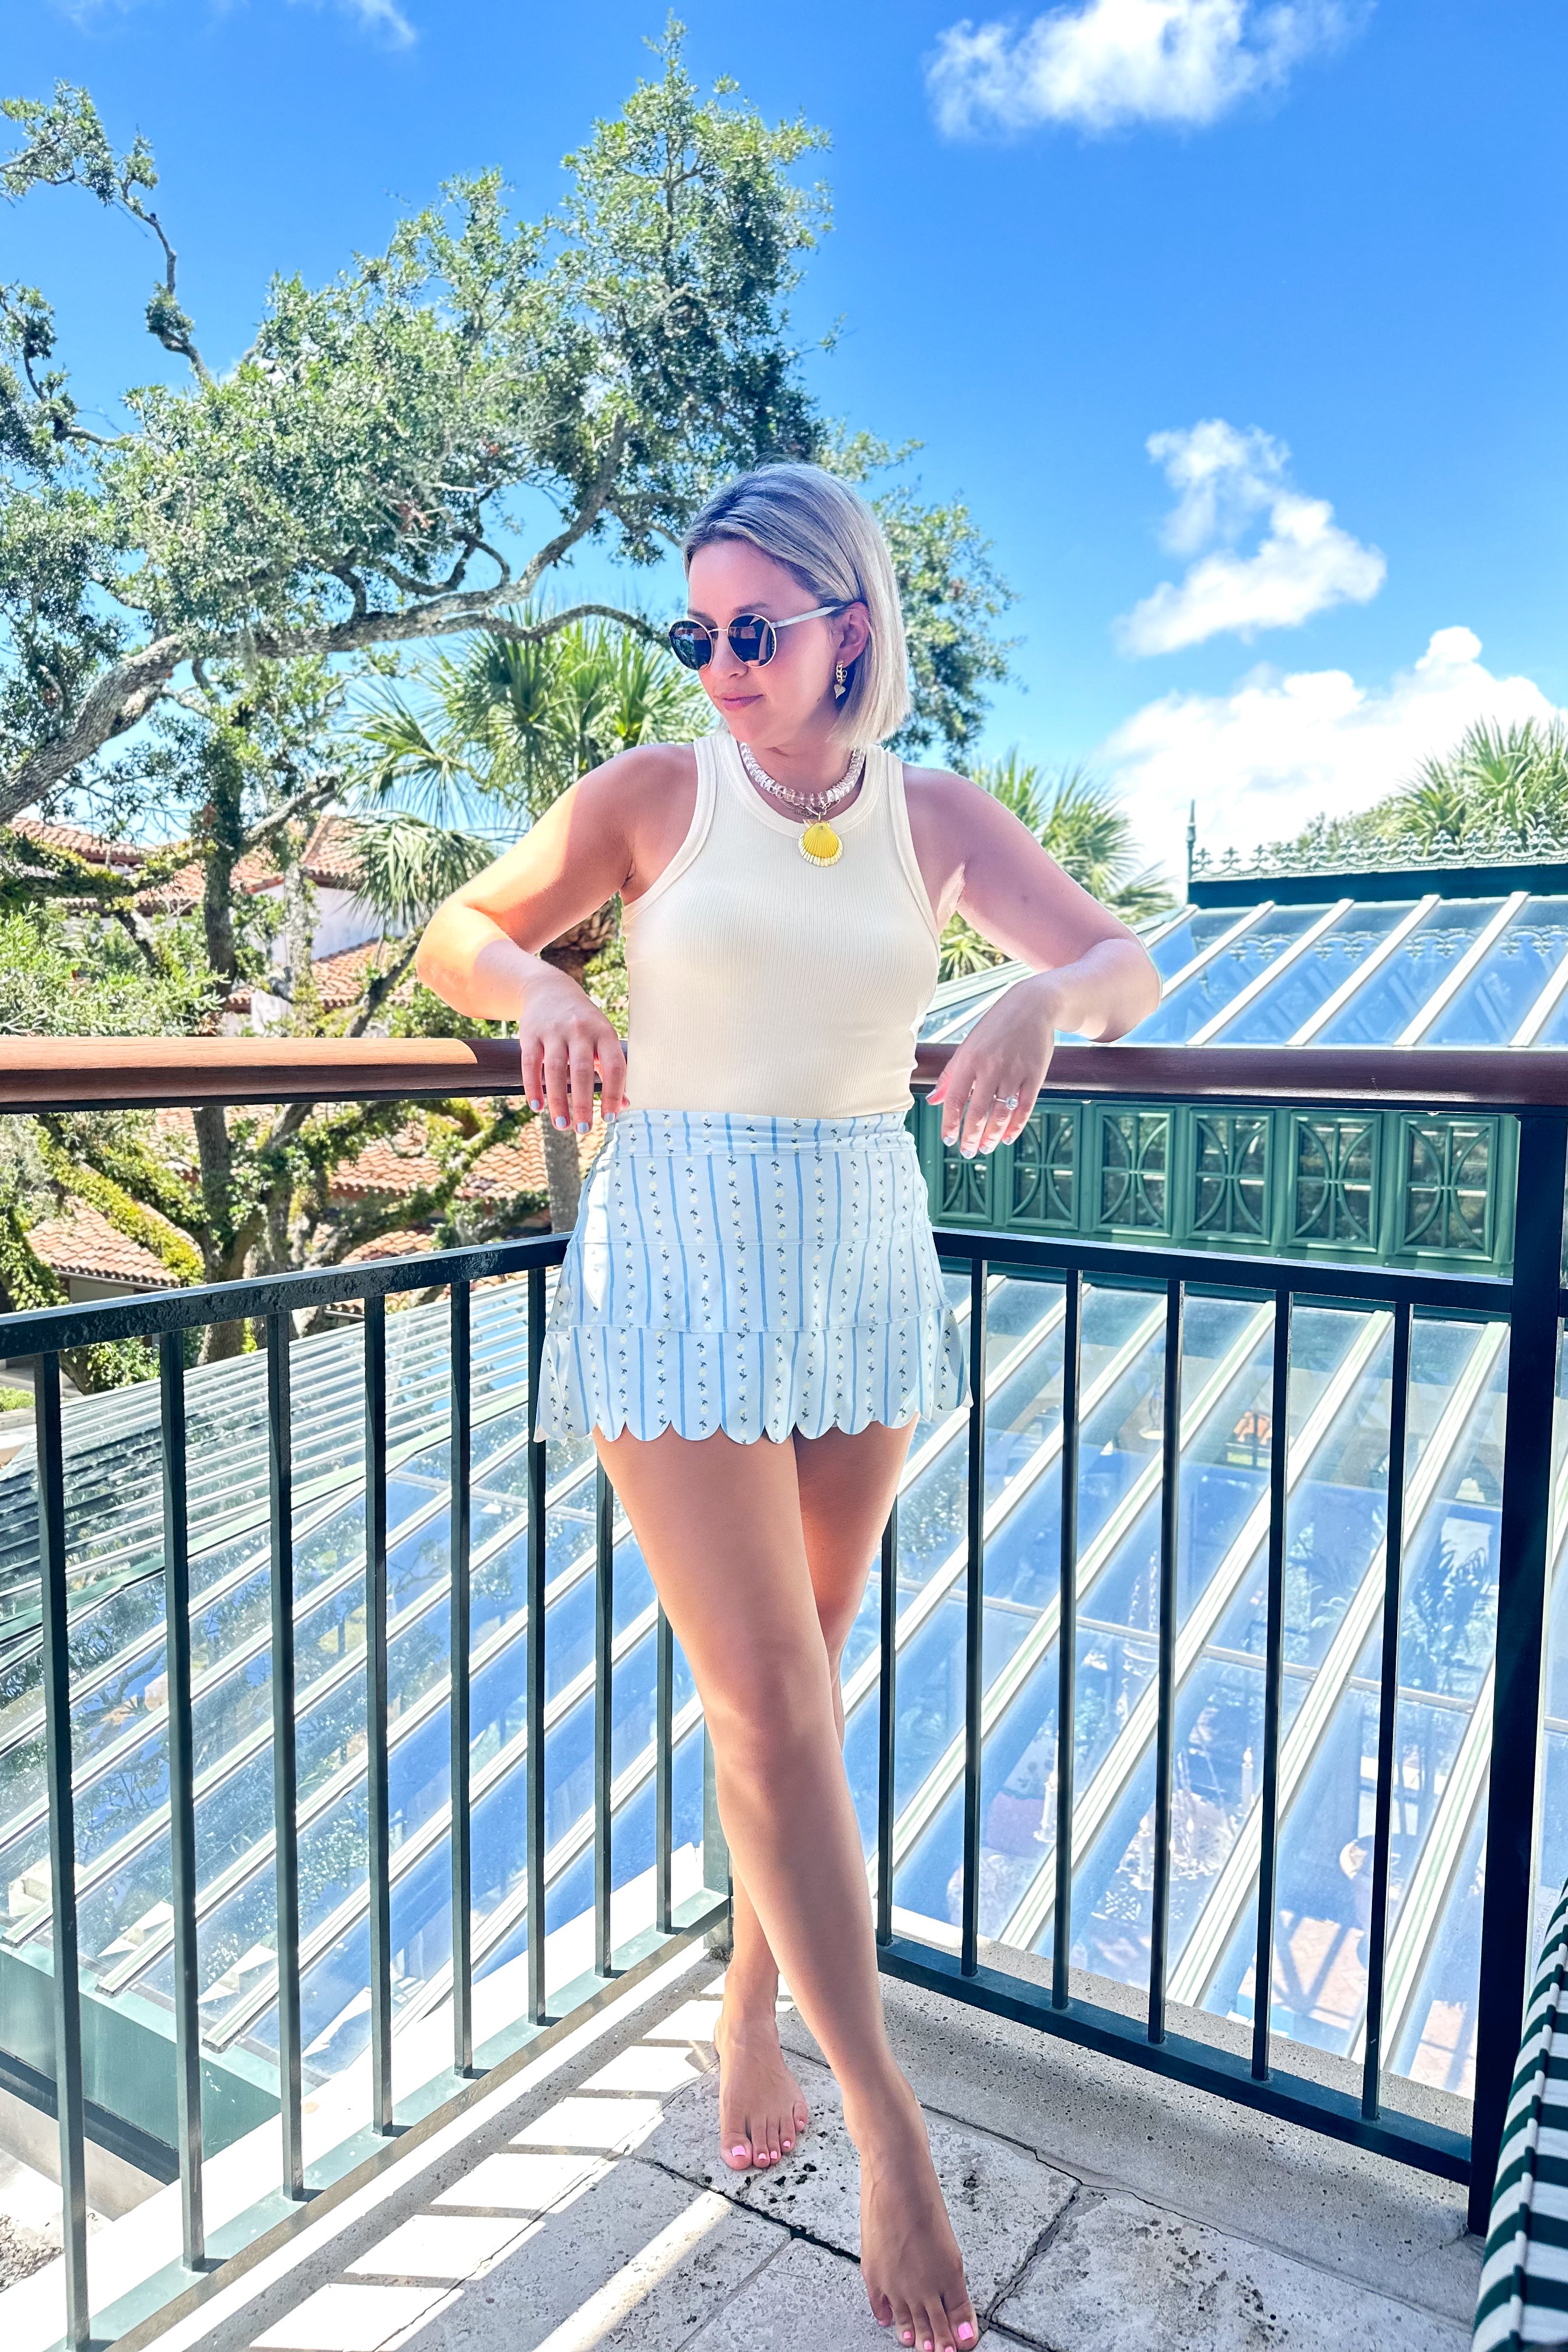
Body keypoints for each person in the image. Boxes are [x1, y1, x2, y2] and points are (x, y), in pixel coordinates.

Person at [416, 461, 1159, 2352]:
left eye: (755, 629)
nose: (722, 664)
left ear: (849, 628)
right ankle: (889, 2128)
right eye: (700, 631)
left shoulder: (935, 817)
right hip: (676, 1236)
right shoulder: (657, 795)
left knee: (809, 1678)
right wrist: (537, 989)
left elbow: (1127, 960)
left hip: (858, 1243)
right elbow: (457, 927)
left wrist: (1041, 1001)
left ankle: (748, 2003)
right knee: (761, 1693)